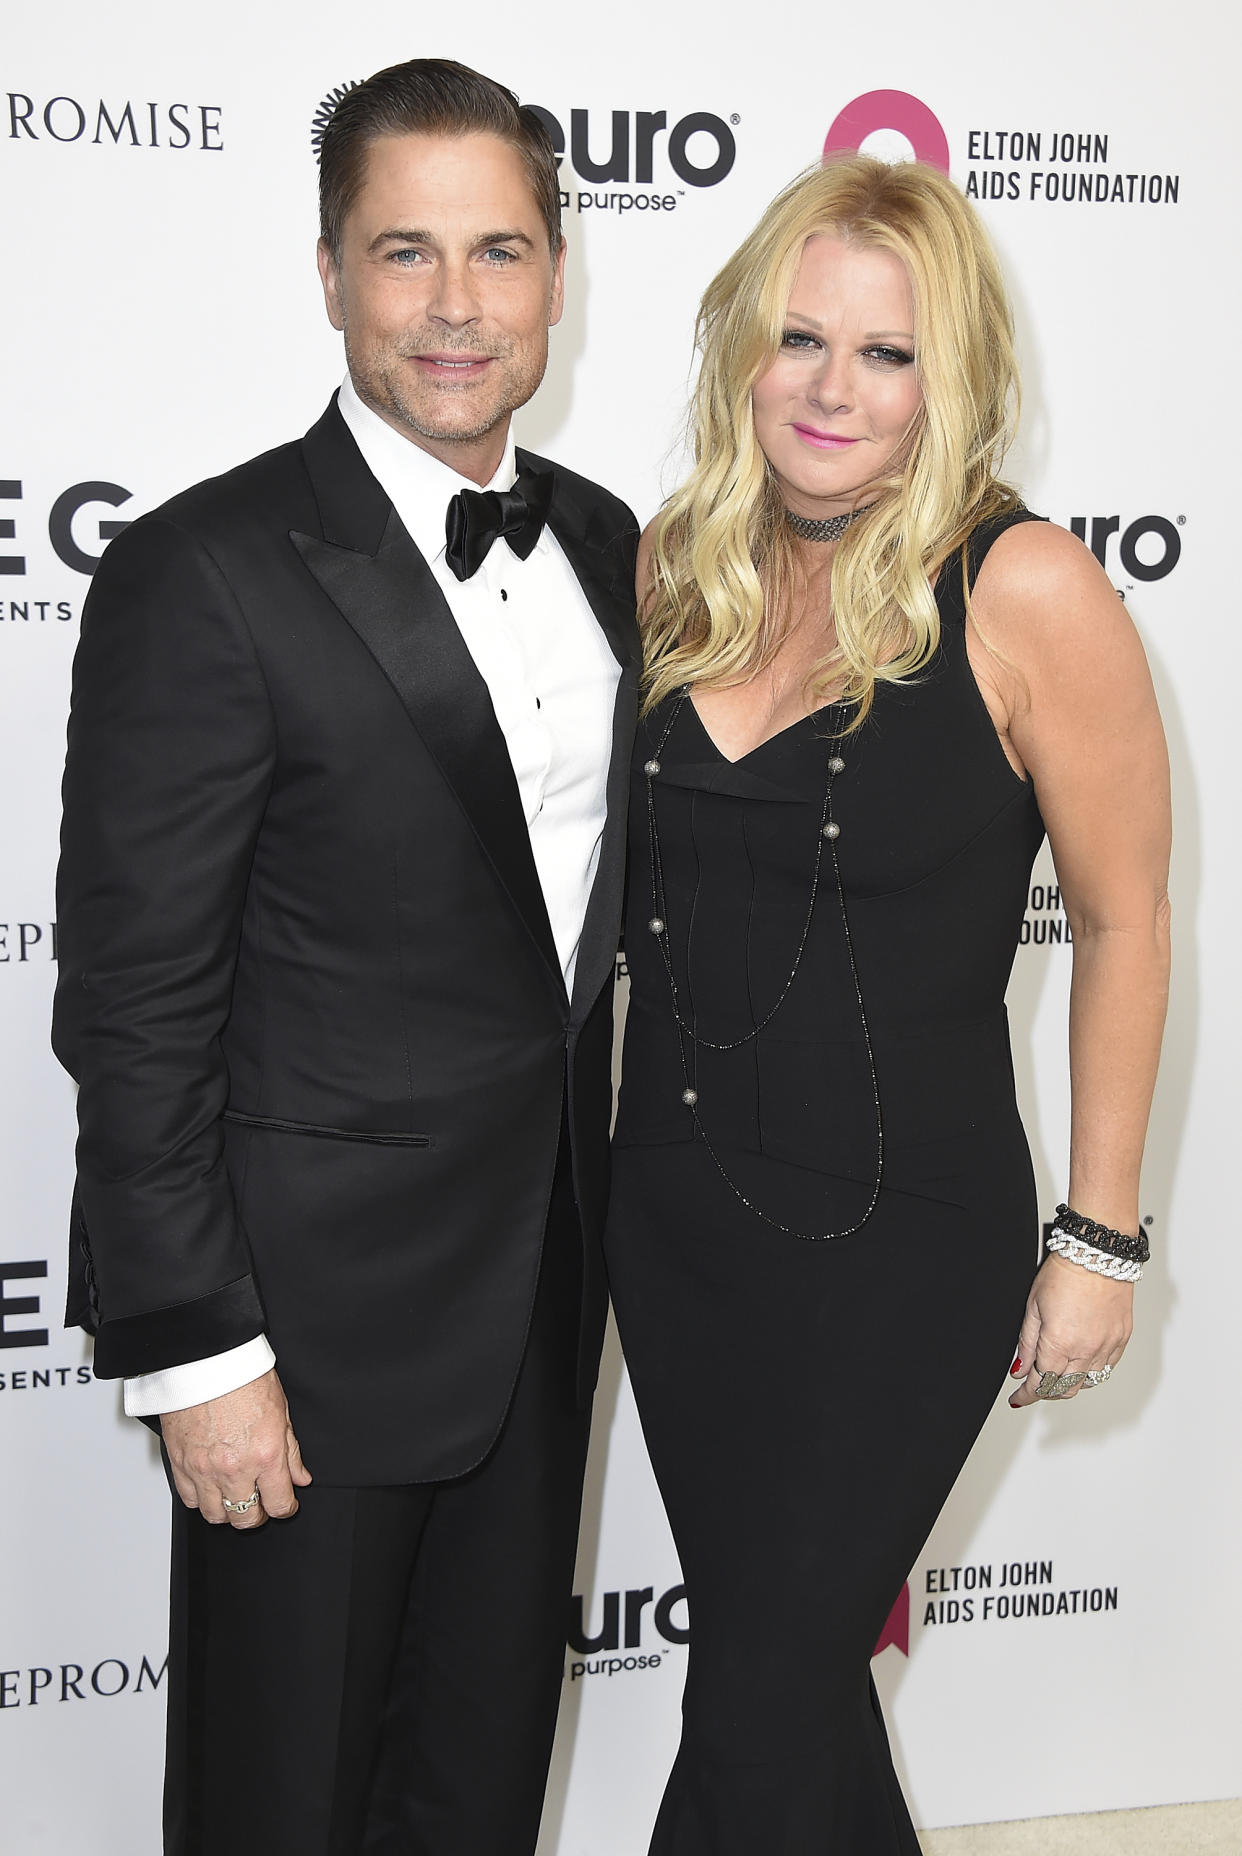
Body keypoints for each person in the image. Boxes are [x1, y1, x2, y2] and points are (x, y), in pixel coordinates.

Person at [52, 57, 639, 1856]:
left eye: (499, 250)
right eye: (404, 253)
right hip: (297, 1343)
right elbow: (134, 1002)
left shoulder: (614, 547)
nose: (457, 306)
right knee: (279, 1806)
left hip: (539, 1303)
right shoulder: (205, 570)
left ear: (557, 274)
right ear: (327, 274)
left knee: (474, 1795)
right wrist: (195, 1351)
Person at [604, 154, 1169, 1852]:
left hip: (899, 1252)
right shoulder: (668, 572)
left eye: (887, 353)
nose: (832, 388)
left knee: (757, 1693)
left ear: (954, 375)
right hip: (678, 1230)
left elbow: (1131, 921)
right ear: (740, 353)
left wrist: (1098, 1235)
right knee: (793, 1692)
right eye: (799, 339)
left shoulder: (1027, 591)